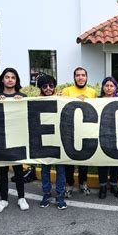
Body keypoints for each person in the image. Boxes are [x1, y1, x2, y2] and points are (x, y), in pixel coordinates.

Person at [0, 67, 29, 213]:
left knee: (18, 169)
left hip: (17, 137)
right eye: (7, 77)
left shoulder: (22, 96)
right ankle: (3, 199)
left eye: (13, 77)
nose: (10, 80)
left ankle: (21, 197)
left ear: (16, 80)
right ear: (2, 79)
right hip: (1, 138)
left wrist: (22, 102)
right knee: (3, 170)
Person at [61, 67, 97, 197]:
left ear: (87, 77)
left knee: (84, 161)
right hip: (69, 131)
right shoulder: (66, 91)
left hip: (86, 131)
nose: (80, 77)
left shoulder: (93, 92)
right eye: (78, 75)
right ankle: (69, 184)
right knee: (69, 161)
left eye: (83, 75)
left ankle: (83, 183)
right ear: (74, 77)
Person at [36, 74, 67, 210]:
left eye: (51, 86)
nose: (48, 88)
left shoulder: (60, 99)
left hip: (59, 140)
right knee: (45, 169)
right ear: (41, 88)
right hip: (43, 141)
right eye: (44, 86)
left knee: (60, 169)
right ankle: (46, 193)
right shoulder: (35, 101)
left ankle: (60, 195)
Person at [97, 77, 118, 199]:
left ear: (115, 88)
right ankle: (102, 186)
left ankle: (113, 185)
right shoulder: (96, 100)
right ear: (103, 87)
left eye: (111, 86)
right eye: (106, 85)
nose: (109, 88)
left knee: (115, 161)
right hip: (101, 135)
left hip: (116, 135)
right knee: (101, 161)